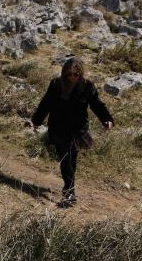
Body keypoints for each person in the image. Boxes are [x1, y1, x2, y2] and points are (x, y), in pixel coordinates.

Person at [31, 57, 114, 208]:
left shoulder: (87, 86)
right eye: (69, 74)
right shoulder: (56, 84)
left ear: (80, 73)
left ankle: (68, 186)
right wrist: (37, 120)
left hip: (78, 129)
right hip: (58, 127)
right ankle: (70, 192)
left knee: (72, 158)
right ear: (64, 73)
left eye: (76, 74)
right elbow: (46, 103)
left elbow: (97, 105)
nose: (72, 77)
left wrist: (106, 119)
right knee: (65, 157)